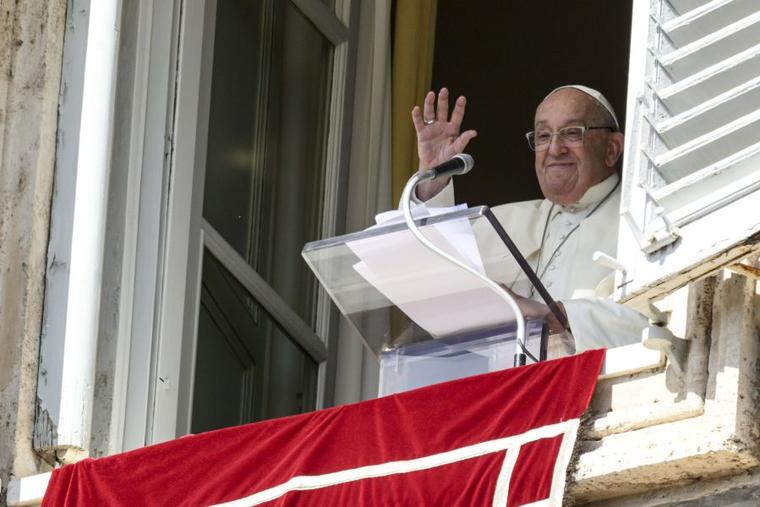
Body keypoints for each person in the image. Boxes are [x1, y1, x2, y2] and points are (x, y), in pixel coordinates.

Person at [410, 85, 648, 352]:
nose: (555, 149)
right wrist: (433, 179)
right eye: (544, 136)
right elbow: (423, 279)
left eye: (572, 133)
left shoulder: (643, 225)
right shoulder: (501, 220)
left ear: (612, 149)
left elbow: (655, 321)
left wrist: (554, 316)